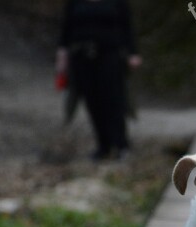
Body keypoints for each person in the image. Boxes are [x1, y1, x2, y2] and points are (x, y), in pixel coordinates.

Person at [57, 0, 142, 161]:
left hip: (110, 56)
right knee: (92, 101)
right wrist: (62, 56)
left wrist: (132, 53)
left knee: (114, 100)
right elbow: (66, 29)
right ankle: (103, 146)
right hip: (81, 57)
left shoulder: (117, 3)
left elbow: (127, 26)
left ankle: (121, 144)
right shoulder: (74, 3)